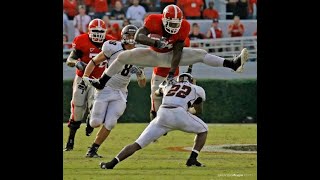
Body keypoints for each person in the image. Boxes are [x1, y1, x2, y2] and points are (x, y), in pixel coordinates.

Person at [87, 4, 249, 91]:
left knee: (200, 54)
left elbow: (178, 50)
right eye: (171, 23)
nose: (174, 27)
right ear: (164, 20)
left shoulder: (184, 26)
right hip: (153, 54)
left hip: (171, 55)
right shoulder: (153, 20)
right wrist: (155, 43)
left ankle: (233, 64)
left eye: (176, 24)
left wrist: (172, 74)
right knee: (122, 57)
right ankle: (102, 82)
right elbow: (138, 36)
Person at [99, 72, 208, 169]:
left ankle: (111, 163)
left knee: (138, 143)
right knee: (203, 130)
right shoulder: (197, 89)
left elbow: (156, 93)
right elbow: (199, 110)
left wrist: (164, 86)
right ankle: (192, 159)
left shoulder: (170, 85)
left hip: (162, 113)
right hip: (179, 112)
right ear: (192, 81)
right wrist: (187, 112)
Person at [81, 25, 147, 158]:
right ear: (123, 36)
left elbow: (142, 84)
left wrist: (140, 74)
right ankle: (90, 118)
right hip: (105, 88)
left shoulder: (139, 54)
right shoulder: (113, 47)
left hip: (121, 92)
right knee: (95, 122)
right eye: (128, 35)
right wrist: (85, 77)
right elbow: (94, 61)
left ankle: (93, 149)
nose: (130, 38)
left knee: (111, 122)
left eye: (133, 36)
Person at [63, 18, 116, 151]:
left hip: (99, 80)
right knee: (77, 106)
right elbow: (70, 58)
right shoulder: (81, 41)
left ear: (105, 32)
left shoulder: (110, 42)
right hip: (82, 78)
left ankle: (90, 123)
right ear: (89, 31)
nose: (98, 34)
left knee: (96, 108)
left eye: (100, 31)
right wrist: (76, 63)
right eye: (95, 31)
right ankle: (70, 140)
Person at [149, 37, 190, 122]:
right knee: (156, 102)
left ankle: (169, 122)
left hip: (174, 74)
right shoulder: (159, 35)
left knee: (173, 101)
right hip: (159, 73)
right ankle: (155, 124)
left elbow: (188, 54)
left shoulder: (183, 37)